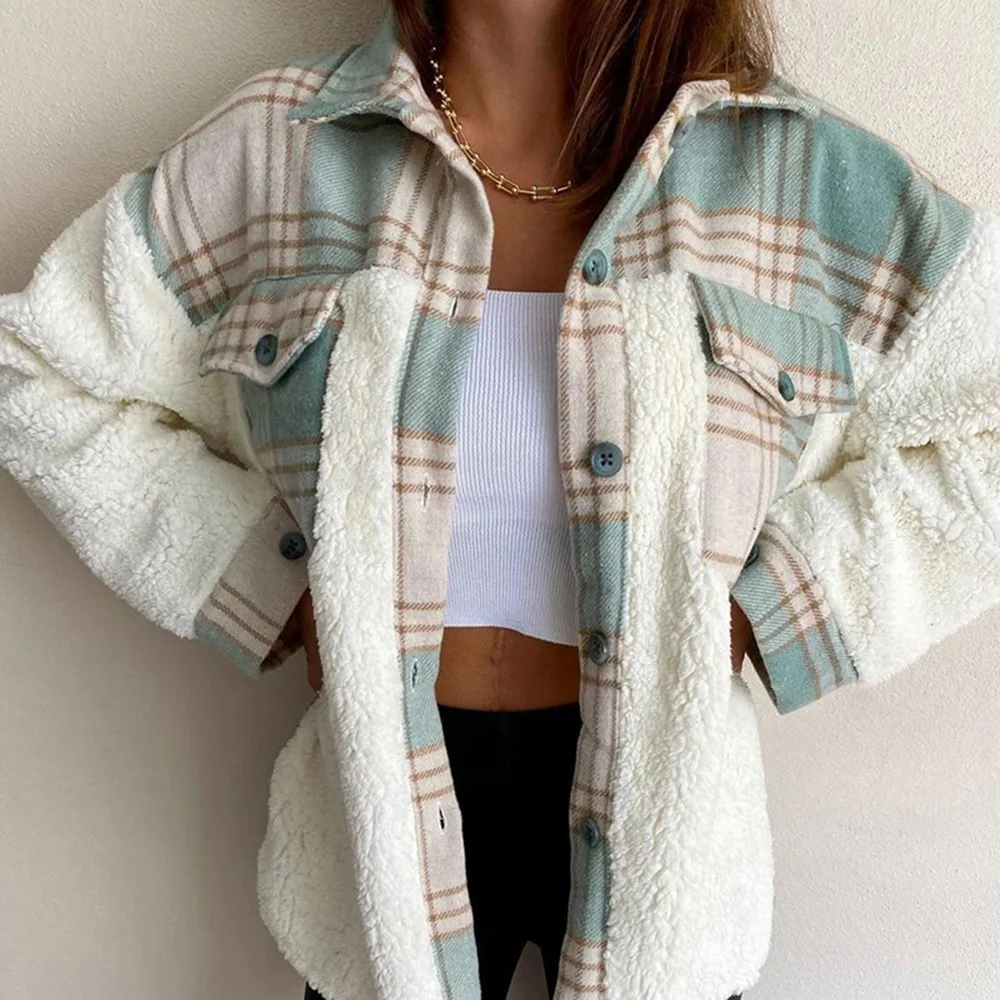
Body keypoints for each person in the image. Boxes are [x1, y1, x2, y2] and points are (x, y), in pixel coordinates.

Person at [2, 0, 999, 998]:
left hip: (665, 839)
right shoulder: (284, 146)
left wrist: (768, 609)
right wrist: (270, 586)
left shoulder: (795, 169)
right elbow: (36, 371)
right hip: (378, 831)